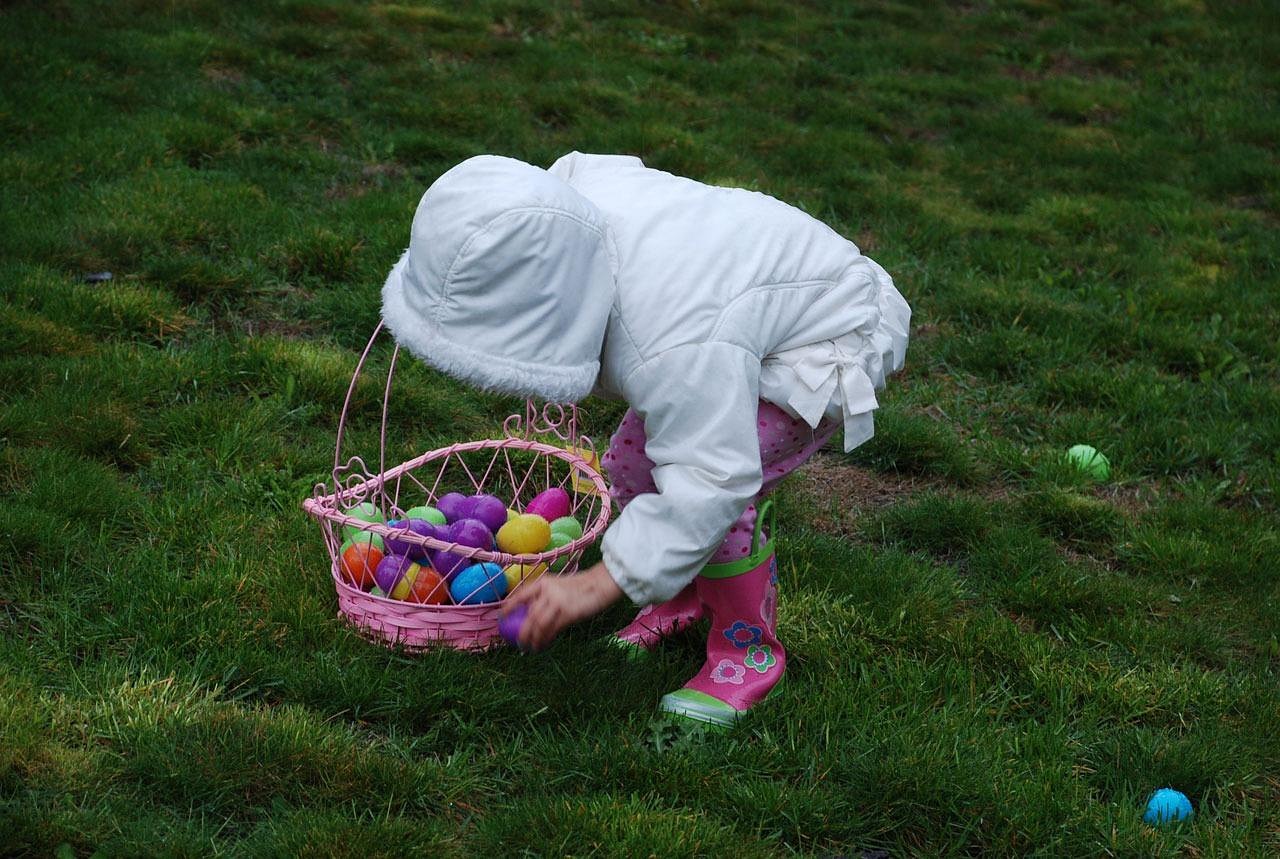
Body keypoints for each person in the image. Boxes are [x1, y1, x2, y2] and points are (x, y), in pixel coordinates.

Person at [381, 152, 910, 726]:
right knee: (634, 466)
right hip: (735, 297)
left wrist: (595, 586)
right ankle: (682, 592)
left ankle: (746, 653)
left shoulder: (673, 338)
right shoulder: (555, 213)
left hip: (828, 331)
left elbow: (712, 477)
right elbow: (594, 167)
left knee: (723, 499)